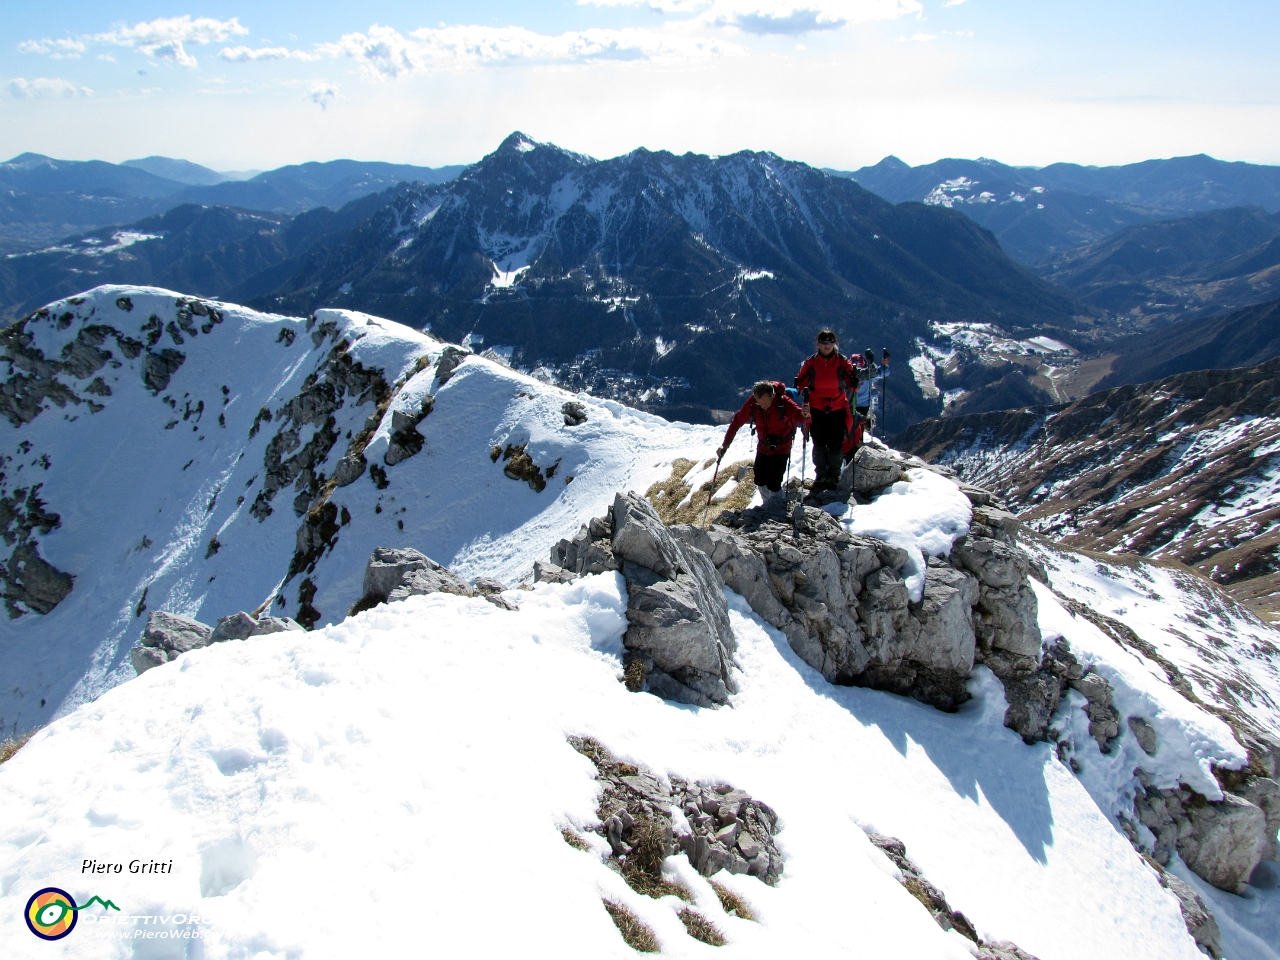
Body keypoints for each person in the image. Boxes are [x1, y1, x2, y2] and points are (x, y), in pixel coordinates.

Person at [717, 380, 809, 506]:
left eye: (766, 403)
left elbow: (801, 417)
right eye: (759, 403)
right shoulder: (753, 403)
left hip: (782, 448)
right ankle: (768, 506)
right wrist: (725, 445)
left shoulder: (783, 402)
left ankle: (777, 508)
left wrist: (806, 414)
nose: (762, 407)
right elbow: (737, 422)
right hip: (763, 447)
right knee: (760, 479)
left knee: (774, 482)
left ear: (773, 396)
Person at [794, 330, 861, 491]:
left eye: (830, 342)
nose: (827, 345)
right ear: (818, 343)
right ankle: (822, 475)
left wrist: (854, 381)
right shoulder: (811, 363)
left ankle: (833, 475)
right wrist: (799, 383)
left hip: (837, 407)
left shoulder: (842, 362)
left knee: (835, 443)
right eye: (824, 342)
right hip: (817, 407)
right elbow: (800, 381)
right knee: (819, 442)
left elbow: (852, 383)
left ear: (834, 344)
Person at [843, 348, 889, 463]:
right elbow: (882, 373)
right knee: (855, 427)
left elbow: (883, 372)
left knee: (855, 427)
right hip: (859, 404)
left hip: (855, 403)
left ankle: (854, 451)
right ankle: (854, 451)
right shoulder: (866, 374)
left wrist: (884, 366)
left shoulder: (857, 374)